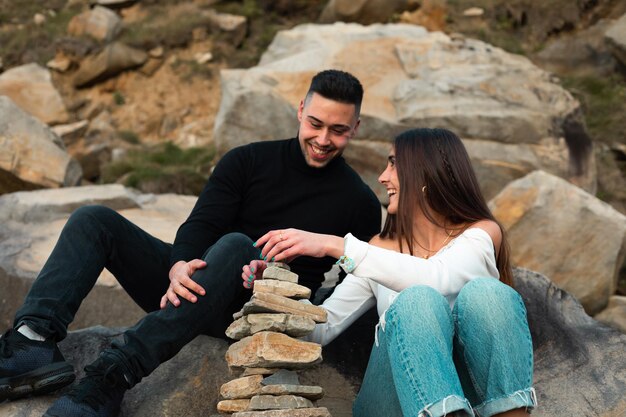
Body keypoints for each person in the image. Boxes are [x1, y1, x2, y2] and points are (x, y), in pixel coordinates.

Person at [0, 69, 382, 416]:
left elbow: (348, 291)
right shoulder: (247, 160)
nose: (323, 139)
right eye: (315, 123)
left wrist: (281, 286)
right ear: (300, 110)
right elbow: (200, 224)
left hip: (255, 314)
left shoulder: (360, 203)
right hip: (191, 286)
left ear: (356, 127)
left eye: (339, 130)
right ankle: (31, 341)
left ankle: (110, 378)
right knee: (93, 220)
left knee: (236, 246)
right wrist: (178, 263)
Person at [244, 128, 536, 417]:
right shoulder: (379, 248)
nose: (383, 176)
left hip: (472, 396)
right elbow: (322, 328)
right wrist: (272, 291)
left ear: (425, 174)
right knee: (417, 301)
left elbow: (436, 276)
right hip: (391, 401)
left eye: (394, 164)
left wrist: (336, 245)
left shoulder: (480, 233)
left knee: (487, 294)